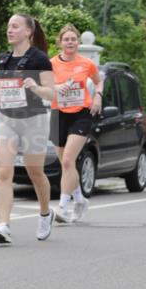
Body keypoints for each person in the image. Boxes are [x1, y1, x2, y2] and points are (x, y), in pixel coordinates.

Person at [0, 14, 55, 244]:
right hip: (7, 119)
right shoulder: (3, 59)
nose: (10, 30)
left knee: (35, 172)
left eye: (15, 26)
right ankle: (4, 225)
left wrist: (36, 88)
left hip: (33, 120)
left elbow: (51, 92)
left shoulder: (40, 59)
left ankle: (46, 214)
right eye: (8, 26)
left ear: (28, 31)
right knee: (4, 172)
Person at [50, 25, 103, 223]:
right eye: (66, 39)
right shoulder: (51, 63)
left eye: (73, 39)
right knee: (66, 164)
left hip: (81, 114)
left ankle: (63, 207)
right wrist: (58, 87)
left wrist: (98, 96)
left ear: (78, 42)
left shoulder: (87, 63)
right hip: (58, 114)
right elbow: (45, 86)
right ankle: (80, 199)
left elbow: (99, 81)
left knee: (67, 161)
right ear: (60, 42)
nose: (70, 42)